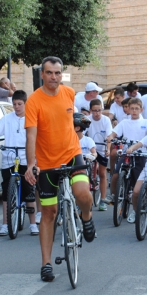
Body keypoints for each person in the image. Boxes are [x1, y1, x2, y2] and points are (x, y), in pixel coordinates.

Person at [24, 56, 95, 283]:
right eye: (49, 73)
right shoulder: (34, 101)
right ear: (42, 74)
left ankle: (86, 216)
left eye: (57, 73)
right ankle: (46, 263)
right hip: (46, 163)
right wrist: (31, 164)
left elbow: (68, 119)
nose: (54, 77)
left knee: (83, 193)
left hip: (71, 154)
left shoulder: (69, 93)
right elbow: (31, 135)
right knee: (49, 213)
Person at [0, 90, 38, 237]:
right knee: (6, 192)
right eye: (14, 104)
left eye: (19, 104)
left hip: (26, 158)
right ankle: (5, 224)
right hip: (9, 157)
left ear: (25, 104)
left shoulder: (31, 119)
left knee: (29, 190)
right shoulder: (6, 119)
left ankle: (33, 224)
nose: (16, 107)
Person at [104, 97, 147, 214]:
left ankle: (138, 202)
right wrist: (110, 137)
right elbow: (114, 134)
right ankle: (114, 195)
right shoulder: (124, 122)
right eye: (132, 109)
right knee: (116, 175)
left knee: (137, 180)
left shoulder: (146, 122)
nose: (134, 111)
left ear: (141, 109)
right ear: (128, 110)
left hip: (140, 154)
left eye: (136, 109)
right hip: (127, 154)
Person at [87, 99, 113, 211]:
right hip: (90, 149)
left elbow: (109, 137)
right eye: (94, 111)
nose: (97, 113)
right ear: (90, 110)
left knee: (102, 173)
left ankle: (102, 200)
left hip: (102, 148)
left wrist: (108, 149)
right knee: (86, 174)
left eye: (99, 110)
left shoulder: (106, 120)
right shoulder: (87, 120)